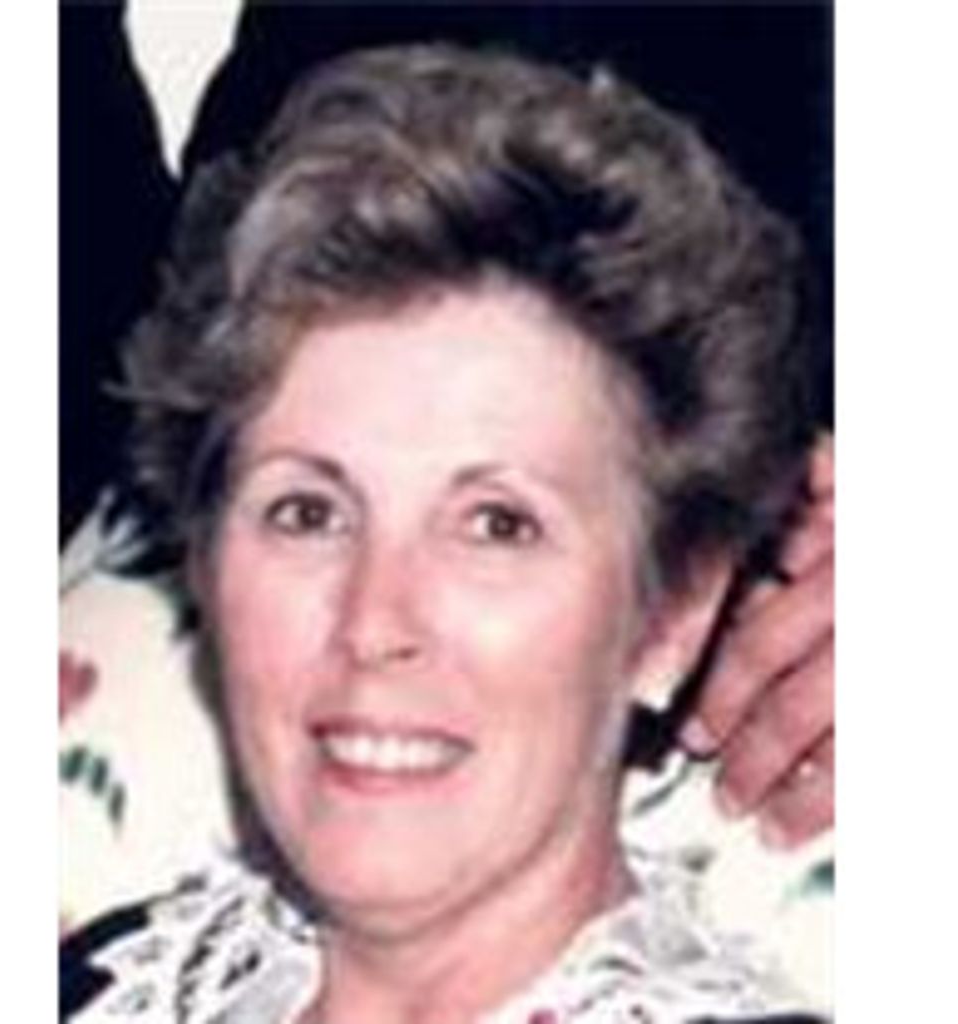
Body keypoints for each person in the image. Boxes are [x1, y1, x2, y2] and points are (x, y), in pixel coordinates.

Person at [63, 43, 830, 1023]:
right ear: (206, 565)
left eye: (496, 525)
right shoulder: (93, 984)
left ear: (671, 617)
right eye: (308, 512)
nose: (374, 621)